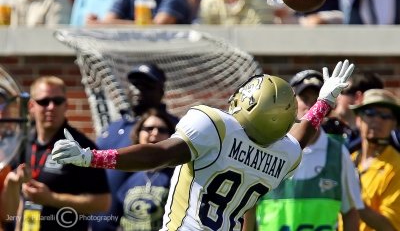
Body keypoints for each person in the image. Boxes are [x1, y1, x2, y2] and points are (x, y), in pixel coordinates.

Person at [51, 60, 354, 230]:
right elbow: (301, 135)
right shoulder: (285, 152)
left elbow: (158, 154)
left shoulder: (216, 127)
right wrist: (324, 102)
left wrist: (93, 157)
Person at [246, 69, 363, 231]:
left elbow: (350, 211)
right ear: (291, 103)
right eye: (304, 98)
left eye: (317, 100)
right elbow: (248, 209)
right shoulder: (268, 147)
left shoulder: (338, 151)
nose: (311, 106)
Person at [9, 76, 111, 230]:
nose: (51, 107)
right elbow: (7, 210)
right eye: (43, 102)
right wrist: (12, 183)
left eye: (57, 101)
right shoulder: (21, 143)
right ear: (31, 105)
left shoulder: (81, 146)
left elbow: (103, 202)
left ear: (66, 105)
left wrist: (52, 199)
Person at [92, 63, 179, 231]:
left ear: (161, 91)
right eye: (135, 85)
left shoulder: (173, 128)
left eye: (147, 86)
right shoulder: (112, 129)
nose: (139, 90)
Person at [116, 108, 176, 230]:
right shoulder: (128, 176)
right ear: (138, 134)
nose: (155, 133)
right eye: (149, 128)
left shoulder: (178, 176)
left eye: (162, 130)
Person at [349, 89, 400, 231]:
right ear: (358, 119)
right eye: (370, 113)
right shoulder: (348, 160)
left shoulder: (396, 166)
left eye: (385, 116)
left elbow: (391, 227)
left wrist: (355, 200)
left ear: (395, 124)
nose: (377, 120)